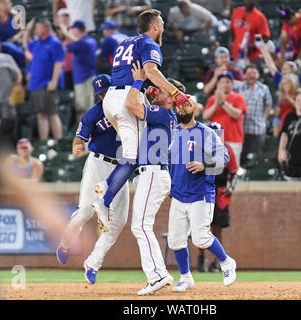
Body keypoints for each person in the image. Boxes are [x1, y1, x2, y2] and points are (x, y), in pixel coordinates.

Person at [91, 9, 191, 233]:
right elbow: (151, 72)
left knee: (129, 152)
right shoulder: (150, 44)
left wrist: (145, 89)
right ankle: (104, 198)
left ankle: (105, 190)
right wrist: (176, 93)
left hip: (111, 99)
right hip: (128, 96)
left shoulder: (124, 41)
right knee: (133, 156)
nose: (163, 27)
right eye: (162, 23)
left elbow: (129, 73)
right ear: (154, 26)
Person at [56, 75, 131, 286]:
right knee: (86, 212)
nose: (104, 95)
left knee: (120, 220)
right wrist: (77, 145)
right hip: (98, 163)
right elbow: (80, 138)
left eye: (107, 90)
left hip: (121, 166)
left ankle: (93, 263)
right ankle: (65, 242)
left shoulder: (128, 104)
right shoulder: (95, 112)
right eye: (101, 93)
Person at [122, 61, 182, 295]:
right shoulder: (164, 113)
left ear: (171, 99)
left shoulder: (164, 112)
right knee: (141, 226)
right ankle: (158, 273)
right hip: (153, 173)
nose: (158, 88)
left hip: (153, 172)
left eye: (163, 88)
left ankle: (157, 275)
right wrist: (142, 80)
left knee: (141, 226)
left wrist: (138, 81)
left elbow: (131, 104)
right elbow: (141, 103)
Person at [168, 97, 236, 293]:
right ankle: (186, 277)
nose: (182, 108)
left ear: (195, 109)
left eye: (186, 104)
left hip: (200, 194)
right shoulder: (173, 133)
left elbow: (224, 156)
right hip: (178, 194)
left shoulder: (205, 132)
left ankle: (226, 262)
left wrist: (204, 165)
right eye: (179, 105)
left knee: (201, 238)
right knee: (175, 240)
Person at [197, 122, 239, 273]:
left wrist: (231, 188)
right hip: (202, 190)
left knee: (217, 229)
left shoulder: (227, 150)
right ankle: (201, 260)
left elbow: (234, 172)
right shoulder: (200, 150)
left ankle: (216, 262)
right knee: (201, 228)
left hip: (220, 193)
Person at [27, 19, 64, 140]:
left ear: (45, 28)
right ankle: (44, 143)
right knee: (41, 115)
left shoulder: (55, 43)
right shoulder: (37, 43)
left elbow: (58, 62)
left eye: (37, 28)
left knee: (52, 114)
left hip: (47, 84)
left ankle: (58, 142)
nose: (36, 30)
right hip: (35, 84)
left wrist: (54, 81)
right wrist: (27, 30)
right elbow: (25, 44)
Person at [203, 71, 247, 167]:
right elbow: (205, 116)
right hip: (216, 138)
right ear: (218, 85)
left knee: (233, 169)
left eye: (228, 82)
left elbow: (236, 114)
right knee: (214, 168)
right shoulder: (212, 99)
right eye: (222, 82)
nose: (225, 84)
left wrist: (222, 102)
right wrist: (216, 103)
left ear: (232, 84)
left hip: (233, 138)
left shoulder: (238, 97)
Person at [59, 20, 98, 123]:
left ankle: (84, 134)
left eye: (73, 29)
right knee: (83, 108)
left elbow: (68, 46)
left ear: (77, 29)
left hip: (84, 79)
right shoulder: (89, 40)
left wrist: (65, 33)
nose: (71, 31)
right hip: (84, 78)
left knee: (83, 109)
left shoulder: (86, 41)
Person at [234, 64, 272, 164]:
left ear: (258, 75)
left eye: (254, 73)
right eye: (249, 73)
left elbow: (268, 105)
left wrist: (264, 119)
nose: (252, 75)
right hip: (242, 128)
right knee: (241, 157)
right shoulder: (238, 88)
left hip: (258, 128)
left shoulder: (264, 88)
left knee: (256, 158)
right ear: (244, 75)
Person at [229, 0, 270, 69]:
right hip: (236, 54)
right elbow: (231, 29)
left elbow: (265, 37)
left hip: (252, 57)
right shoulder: (236, 11)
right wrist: (230, 41)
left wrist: (255, 45)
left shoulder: (260, 17)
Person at [55, 8, 74, 90]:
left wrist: (65, 31)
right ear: (58, 19)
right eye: (62, 17)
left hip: (74, 69)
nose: (65, 19)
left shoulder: (74, 31)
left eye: (66, 17)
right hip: (60, 70)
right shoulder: (54, 34)